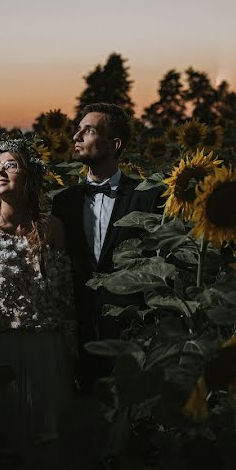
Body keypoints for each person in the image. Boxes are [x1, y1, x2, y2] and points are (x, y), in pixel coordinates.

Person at [0, 137, 75, 454]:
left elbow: (66, 298)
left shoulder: (52, 228)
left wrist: (70, 350)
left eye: (11, 165)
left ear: (31, 176)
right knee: (4, 442)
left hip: (47, 350)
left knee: (51, 441)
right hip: (0, 352)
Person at [51, 103, 163, 393]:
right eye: (78, 130)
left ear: (114, 145)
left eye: (88, 131)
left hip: (132, 335)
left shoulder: (148, 196)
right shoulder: (64, 202)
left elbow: (158, 267)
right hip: (81, 334)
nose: (76, 136)